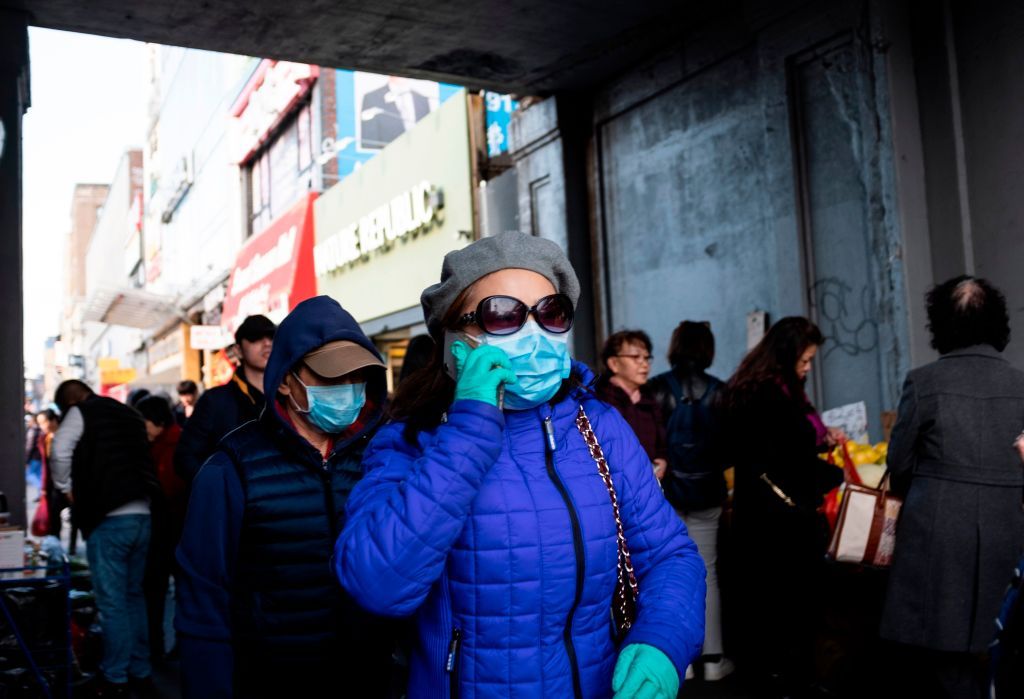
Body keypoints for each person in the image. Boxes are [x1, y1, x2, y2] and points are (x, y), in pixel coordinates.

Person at [335, 232, 706, 699]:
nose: (535, 334)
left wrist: (663, 640)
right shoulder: (409, 442)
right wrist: (469, 429)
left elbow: (670, 554)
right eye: (503, 314)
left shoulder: (599, 427)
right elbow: (377, 585)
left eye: (550, 313)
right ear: (456, 340)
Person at [175, 296, 397, 698]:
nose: (347, 390)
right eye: (330, 378)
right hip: (269, 677)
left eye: (357, 377)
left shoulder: (383, 457)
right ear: (284, 380)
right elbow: (203, 598)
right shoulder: (232, 468)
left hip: (369, 675)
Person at [879, 276, 1024, 699]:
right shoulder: (1021, 385)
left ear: (940, 324)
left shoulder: (924, 382)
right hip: (1008, 525)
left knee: (940, 650)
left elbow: (898, 462)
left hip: (937, 528)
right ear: (996, 322)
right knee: (1000, 636)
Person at [720, 317, 844, 696]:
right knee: (791, 606)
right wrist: (834, 475)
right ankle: (791, 680)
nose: (807, 368)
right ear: (788, 355)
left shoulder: (751, 388)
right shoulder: (774, 396)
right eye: (805, 361)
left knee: (762, 606)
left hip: (756, 514)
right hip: (784, 519)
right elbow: (790, 457)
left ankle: (772, 678)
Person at [51, 380, 162, 697]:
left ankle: (115, 677)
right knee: (133, 597)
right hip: (142, 514)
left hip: (109, 517)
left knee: (112, 603)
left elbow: (60, 451)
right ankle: (140, 671)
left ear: (70, 401)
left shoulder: (81, 411)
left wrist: (65, 488)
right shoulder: (127, 413)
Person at [648, 320, 732, 682]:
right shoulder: (721, 392)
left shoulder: (655, 390)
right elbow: (729, 450)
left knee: (667, 574)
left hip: (664, 496)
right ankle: (712, 660)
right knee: (708, 573)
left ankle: (679, 661)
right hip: (708, 493)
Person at [175, 315, 275, 484]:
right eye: (255, 337)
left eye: (272, 336)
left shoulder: (289, 394)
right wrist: (220, 487)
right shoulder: (215, 401)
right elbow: (184, 457)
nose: (266, 343)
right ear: (237, 350)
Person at [135, 395, 186, 661]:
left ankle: (175, 644)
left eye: (145, 424)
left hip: (174, 528)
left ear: (157, 421)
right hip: (161, 528)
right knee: (156, 591)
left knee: (173, 590)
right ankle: (156, 645)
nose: (143, 430)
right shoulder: (155, 443)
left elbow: (167, 487)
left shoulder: (177, 443)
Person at [595, 330, 668, 479]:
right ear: (613, 363)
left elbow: (662, 441)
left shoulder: (650, 398)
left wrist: (663, 459)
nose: (644, 364)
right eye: (635, 357)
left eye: (647, 358)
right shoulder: (599, 401)